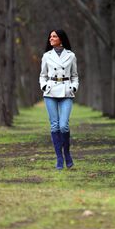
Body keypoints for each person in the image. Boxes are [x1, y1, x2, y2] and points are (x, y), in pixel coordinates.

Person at [39, 29, 79, 170]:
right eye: (50, 36)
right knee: (54, 125)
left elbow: (75, 75)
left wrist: (73, 87)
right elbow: (42, 75)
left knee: (64, 125)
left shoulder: (71, 55)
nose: (51, 38)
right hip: (50, 92)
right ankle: (59, 158)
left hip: (66, 91)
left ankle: (67, 153)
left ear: (61, 39)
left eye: (54, 36)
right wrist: (44, 86)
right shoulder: (46, 56)